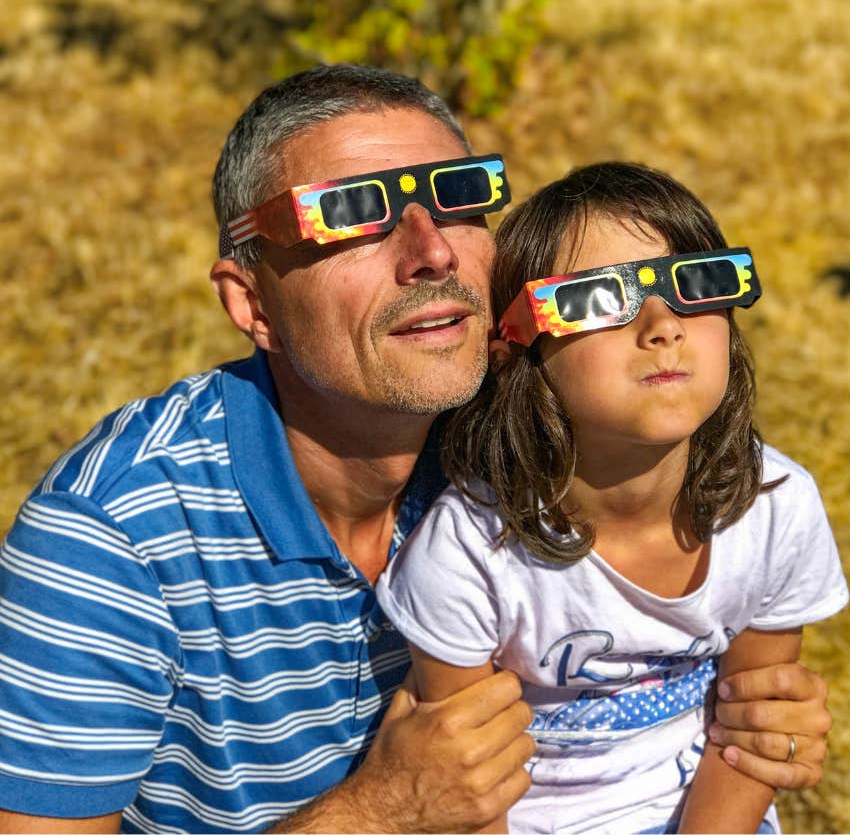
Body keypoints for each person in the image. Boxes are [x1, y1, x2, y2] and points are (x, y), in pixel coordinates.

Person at [0, 67, 837, 834]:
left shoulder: (537, 431)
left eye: (460, 196)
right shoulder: (110, 538)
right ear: (252, 303)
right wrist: (378, 812)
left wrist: (753, 719)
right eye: (350, 216)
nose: (430, 250)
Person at [376, 161, 849, 833]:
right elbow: (464, 788)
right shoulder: (470, 550)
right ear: (514, 349)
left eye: (695, 284)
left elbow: (756, 734)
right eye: (599, 297)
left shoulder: (774, 507)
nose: (662, 325)